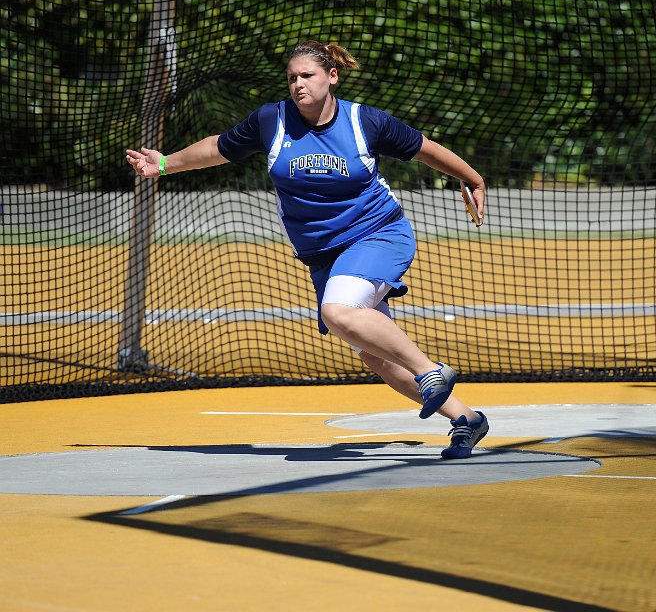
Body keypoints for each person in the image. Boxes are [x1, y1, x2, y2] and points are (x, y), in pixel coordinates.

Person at [126, 39, 489, 459]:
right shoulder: (272, 120)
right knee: (377, 357)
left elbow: (424, 149)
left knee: (337, 313)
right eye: (292, 77)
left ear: (331, 77)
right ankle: (467, 419)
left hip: (376, 234)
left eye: (307, 75)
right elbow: (218, 147)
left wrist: (473, 178)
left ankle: (431, 371)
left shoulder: (363, 121)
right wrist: (166, 163)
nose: (298, 84)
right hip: (322, 255)